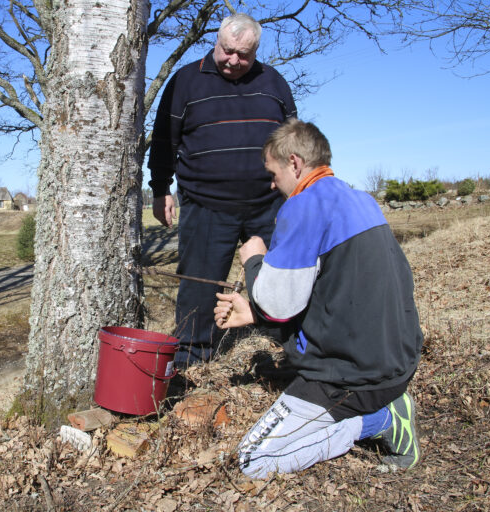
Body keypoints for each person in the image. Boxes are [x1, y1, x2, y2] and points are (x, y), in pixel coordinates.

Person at [213, 119, 423, 477]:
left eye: (273, 172)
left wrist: (254, 261)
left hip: (350, 379)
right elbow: (334, 293)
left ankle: (381, 421)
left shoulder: (304, 205)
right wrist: (253, 314)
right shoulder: (359, 200)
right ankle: (384, 404)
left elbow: (278, 306)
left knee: (252, 461)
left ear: (294, 163)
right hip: (397, 364)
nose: (272, 182)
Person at [148, 13, 297, 368]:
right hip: (206, 206)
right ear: (216, 41)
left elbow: (295, 143)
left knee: (279, 277)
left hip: (269, 205)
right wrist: (160, 188)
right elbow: (164, 139)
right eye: (227, 50)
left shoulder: (273, 83)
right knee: (199, 287)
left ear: (256, 51)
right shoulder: (185, 80)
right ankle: (191, 361)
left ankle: (285, 346)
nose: (233, 60)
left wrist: (300, 190)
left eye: (243, 55)